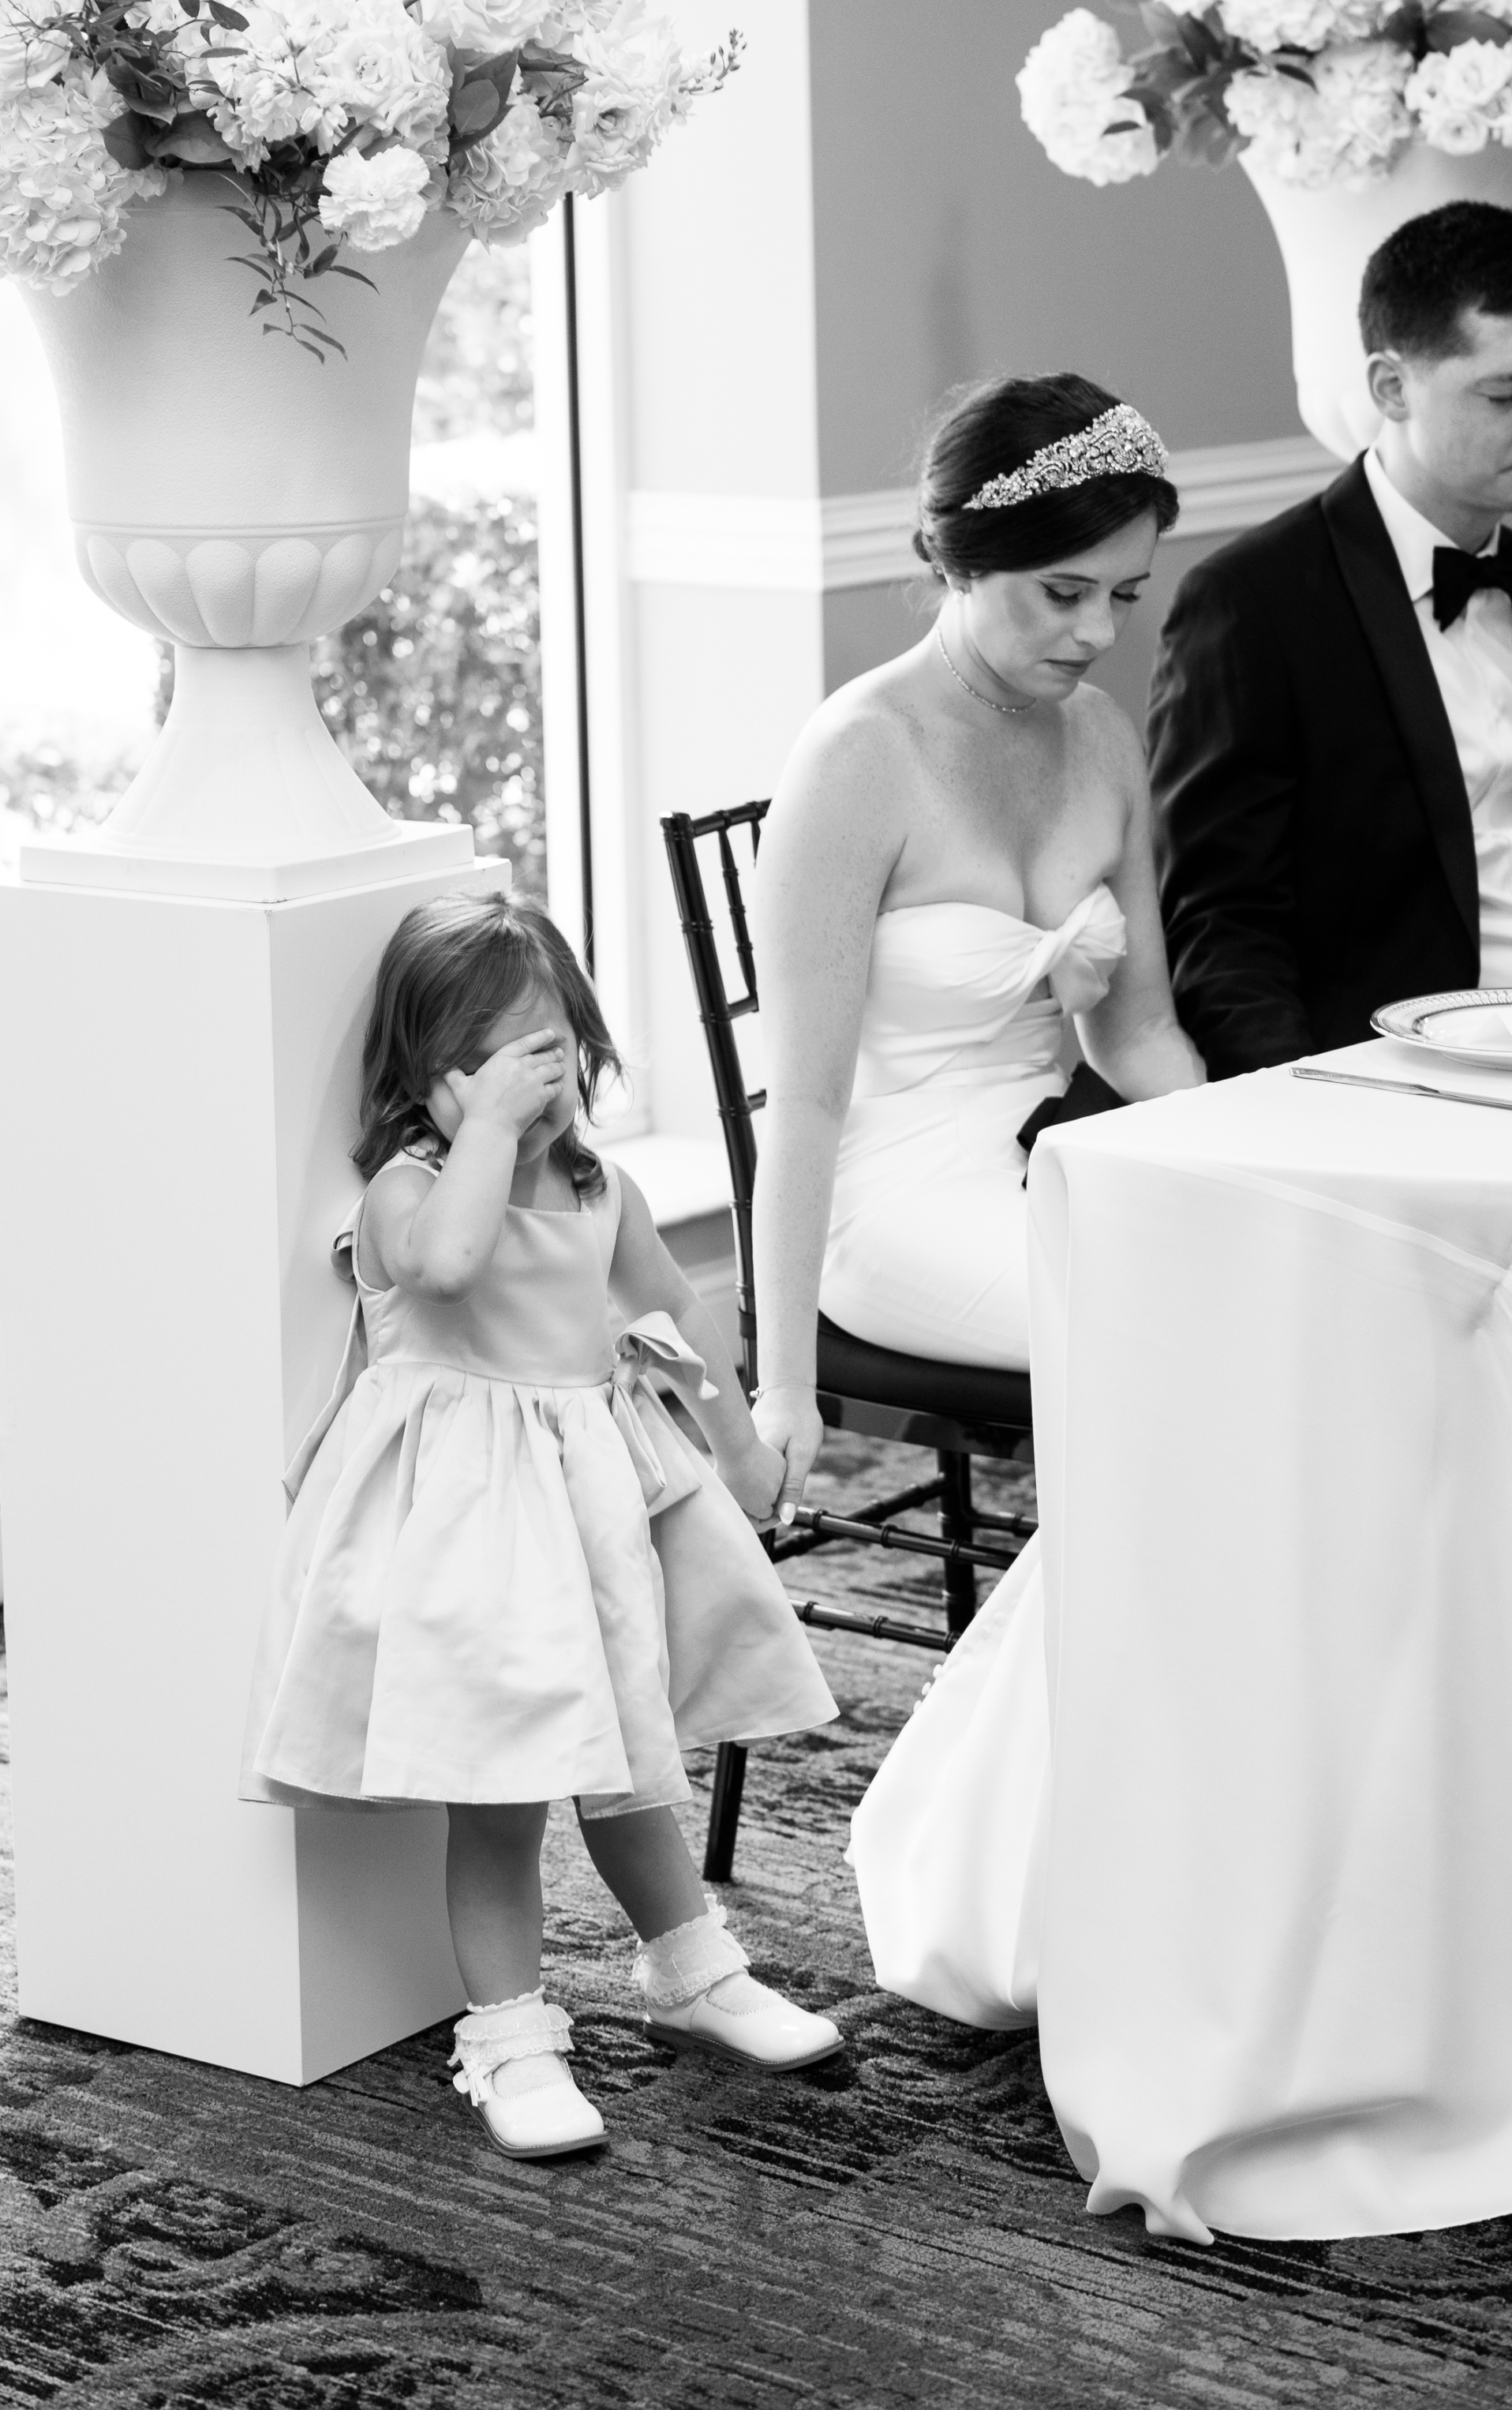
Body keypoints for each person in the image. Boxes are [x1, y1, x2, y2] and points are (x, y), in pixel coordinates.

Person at [241, 894, 842, 2164]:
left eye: (555, 1044)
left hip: (595, 1509)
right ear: (427, 1075)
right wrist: (483, 1139)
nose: (540, 1075)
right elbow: (449, 1268)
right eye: (501, 1057)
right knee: (506, 1794)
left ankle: (689, 1966)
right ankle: (509, 2035)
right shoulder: (408, 1194)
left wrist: (736, 1441)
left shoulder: (595, 1186)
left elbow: (674, 1319)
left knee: (629, 1764)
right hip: (476, 1537)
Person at [749, 374, 1203, 2026]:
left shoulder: (1102, 737)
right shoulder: (857, 758)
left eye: (1125, 597)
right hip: (888, 1206)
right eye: (1060, 592)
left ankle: (1194, 1809)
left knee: (1267, 1307)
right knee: (1182, 1360)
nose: (1096, 633)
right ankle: (1031, 1862)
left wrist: (1247, 1175)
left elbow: (1136, 1029)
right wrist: (781, 1379)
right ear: (959, 558)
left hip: (1043, 1158)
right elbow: (796, 1099)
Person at [1147, 201, 1512, 1078]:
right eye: (1506, 393)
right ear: (1391, 387)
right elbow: (1220, 926)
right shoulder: (1252, 603)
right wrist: (1311, 1109)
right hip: (1392, 1082)